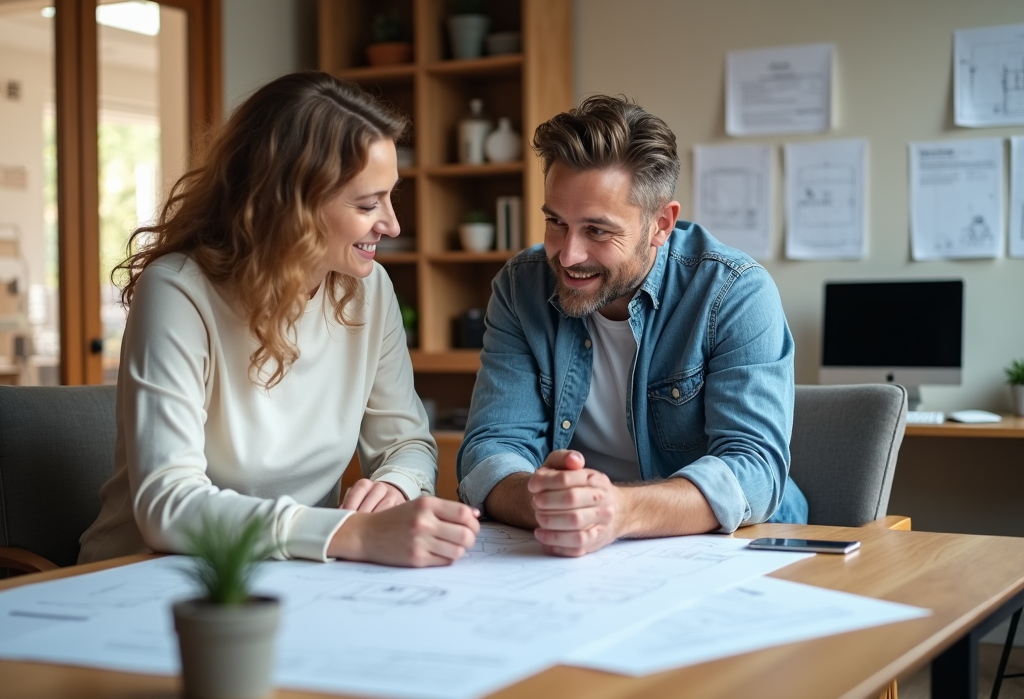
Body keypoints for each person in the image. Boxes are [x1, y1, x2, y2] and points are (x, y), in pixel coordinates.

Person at [80, 71, 479, 567]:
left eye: (391, 196)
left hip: (293, 572)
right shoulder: (179, 290)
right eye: (367, 204)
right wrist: (348, 534)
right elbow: (168, 507)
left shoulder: (369, 290)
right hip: (145, 574)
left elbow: (407, 442)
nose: (393, 224)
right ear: (292, 204)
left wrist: (393, 488)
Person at [457, 95, 807, 558]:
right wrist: (548, 501)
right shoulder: (521, 287)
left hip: (741, 550)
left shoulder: (734, 293)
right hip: (583, 553)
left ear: (661, 224)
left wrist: (620, 511)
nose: (568, 255)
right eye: (556, 223)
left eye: (597, 231)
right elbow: (490, 449)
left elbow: (754, 470)